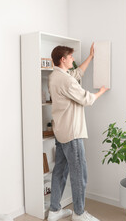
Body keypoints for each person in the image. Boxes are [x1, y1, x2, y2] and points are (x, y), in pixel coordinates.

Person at [47, 43, 108, 221]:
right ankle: (79, 214)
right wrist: (101, 92)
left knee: (59, 171)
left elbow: (76, 74)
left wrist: (91, 57)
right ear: (62, 59)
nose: (73, 59)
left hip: (61, 132)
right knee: (79, 174)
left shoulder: (55, 76)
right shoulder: (65, 80)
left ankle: (54, 210)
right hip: (72, 134)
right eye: (71, 57)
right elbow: (86, 99)